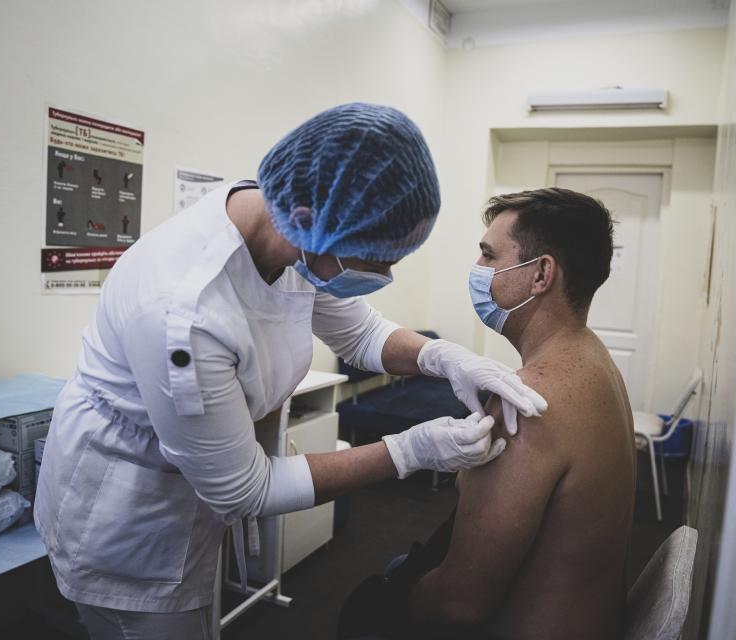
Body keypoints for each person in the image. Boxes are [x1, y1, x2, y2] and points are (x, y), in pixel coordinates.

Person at [34, 103, 547, 640]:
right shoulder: (182, 314)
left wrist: (446, 359)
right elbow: (244, 490)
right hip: (129, 513)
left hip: (191, 482)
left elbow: (362, 333)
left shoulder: (286, 230)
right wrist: (412, 450)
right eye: (374, 261)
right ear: (307, 223)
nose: (386, 275)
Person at [337, 187, 635, 640]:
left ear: (540, 274)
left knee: (363, 605)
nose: (478, 271)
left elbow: (457, 605)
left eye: (488, 255)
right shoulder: (596, 361)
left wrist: (391, 596)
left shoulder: (527, 400)